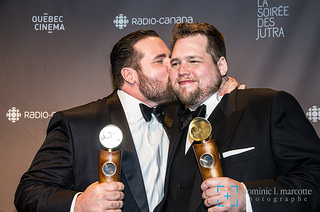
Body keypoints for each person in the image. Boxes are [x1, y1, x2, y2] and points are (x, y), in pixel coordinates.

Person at [14, 29, 241, 212]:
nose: (174, 69)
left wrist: (220, 88)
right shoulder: (77, 124)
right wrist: (80, 203)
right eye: (161, 61)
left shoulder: (184, 117)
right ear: (129, 75)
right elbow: (29, 191)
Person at [157, 22, 320, 212]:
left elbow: (314, 180)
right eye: (175, 63)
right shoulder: (172, 120)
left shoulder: (268, 106)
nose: (182, 70)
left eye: (194, 61)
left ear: (221, 66)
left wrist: (247, 197)